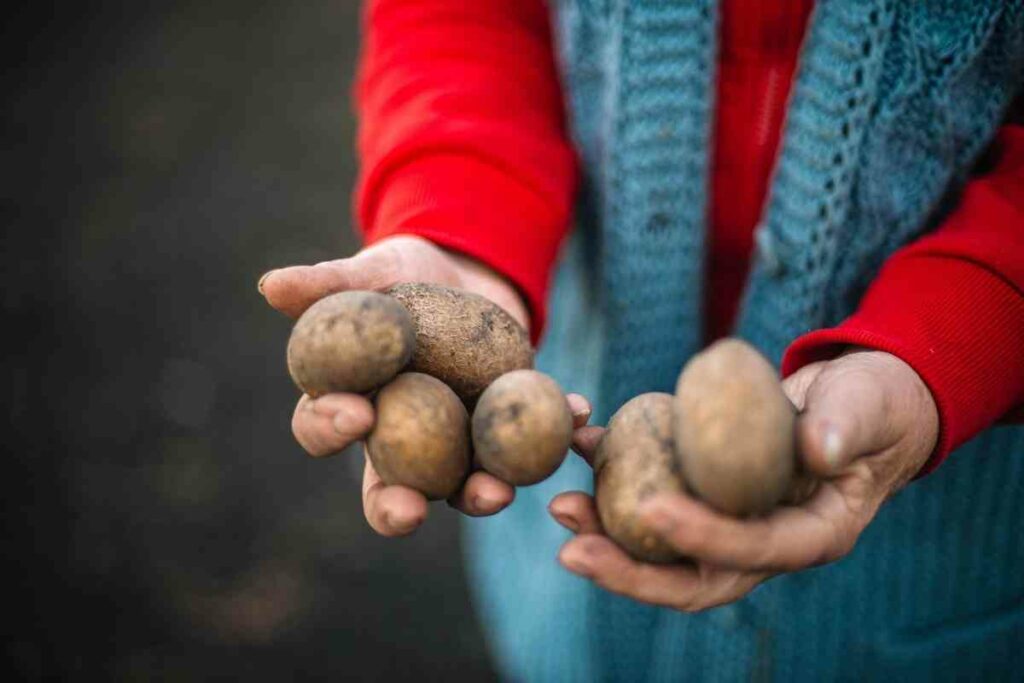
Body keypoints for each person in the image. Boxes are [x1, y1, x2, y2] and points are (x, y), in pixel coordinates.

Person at [259, 1, 1024, 679]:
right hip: (567, 486)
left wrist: (962, 334)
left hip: (946, 559)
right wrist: (461, 226)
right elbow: (464, 17)